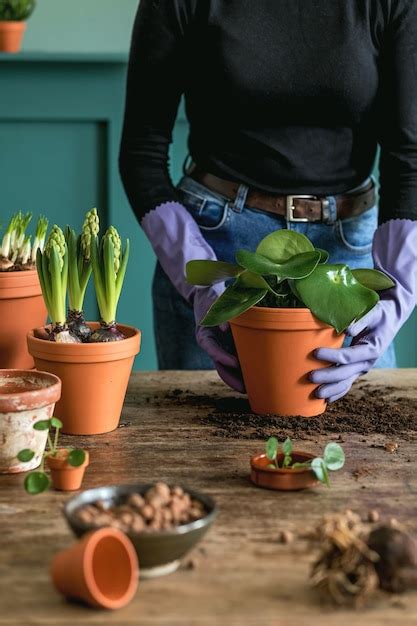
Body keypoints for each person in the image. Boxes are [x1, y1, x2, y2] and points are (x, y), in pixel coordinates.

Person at [119, 0, 417, 403]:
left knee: (368, 455)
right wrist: (203, 288)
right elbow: (141, 153)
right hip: (215, 251)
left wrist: (398, 293)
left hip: (349, 256)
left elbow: (409, 156)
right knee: (202, 451)